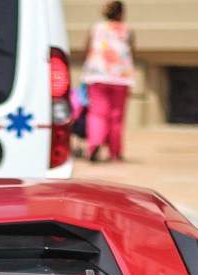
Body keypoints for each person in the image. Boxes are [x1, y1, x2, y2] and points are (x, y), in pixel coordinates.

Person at [80, 1, 134, 163]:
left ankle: (95, 144)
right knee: (117, 116)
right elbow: (132, 52)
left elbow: (87, 50)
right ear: (121, 14)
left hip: (97, 75)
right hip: (121, 77)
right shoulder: (127, 30)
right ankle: (115, 152)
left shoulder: (96, 28)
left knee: (97, 113)